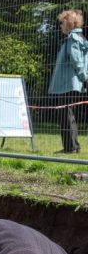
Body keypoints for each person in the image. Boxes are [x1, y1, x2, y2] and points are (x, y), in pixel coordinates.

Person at [48, 9, 87, 154]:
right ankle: (72, 146)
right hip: (70, 83)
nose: (60, 26)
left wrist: (84, 78)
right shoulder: (78, 38)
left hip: (67, 83)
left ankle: (71, 148)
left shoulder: (72, 39)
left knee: (65, 115)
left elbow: (77, 61)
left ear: (69, 23)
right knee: (67, 115)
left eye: (62, 23)